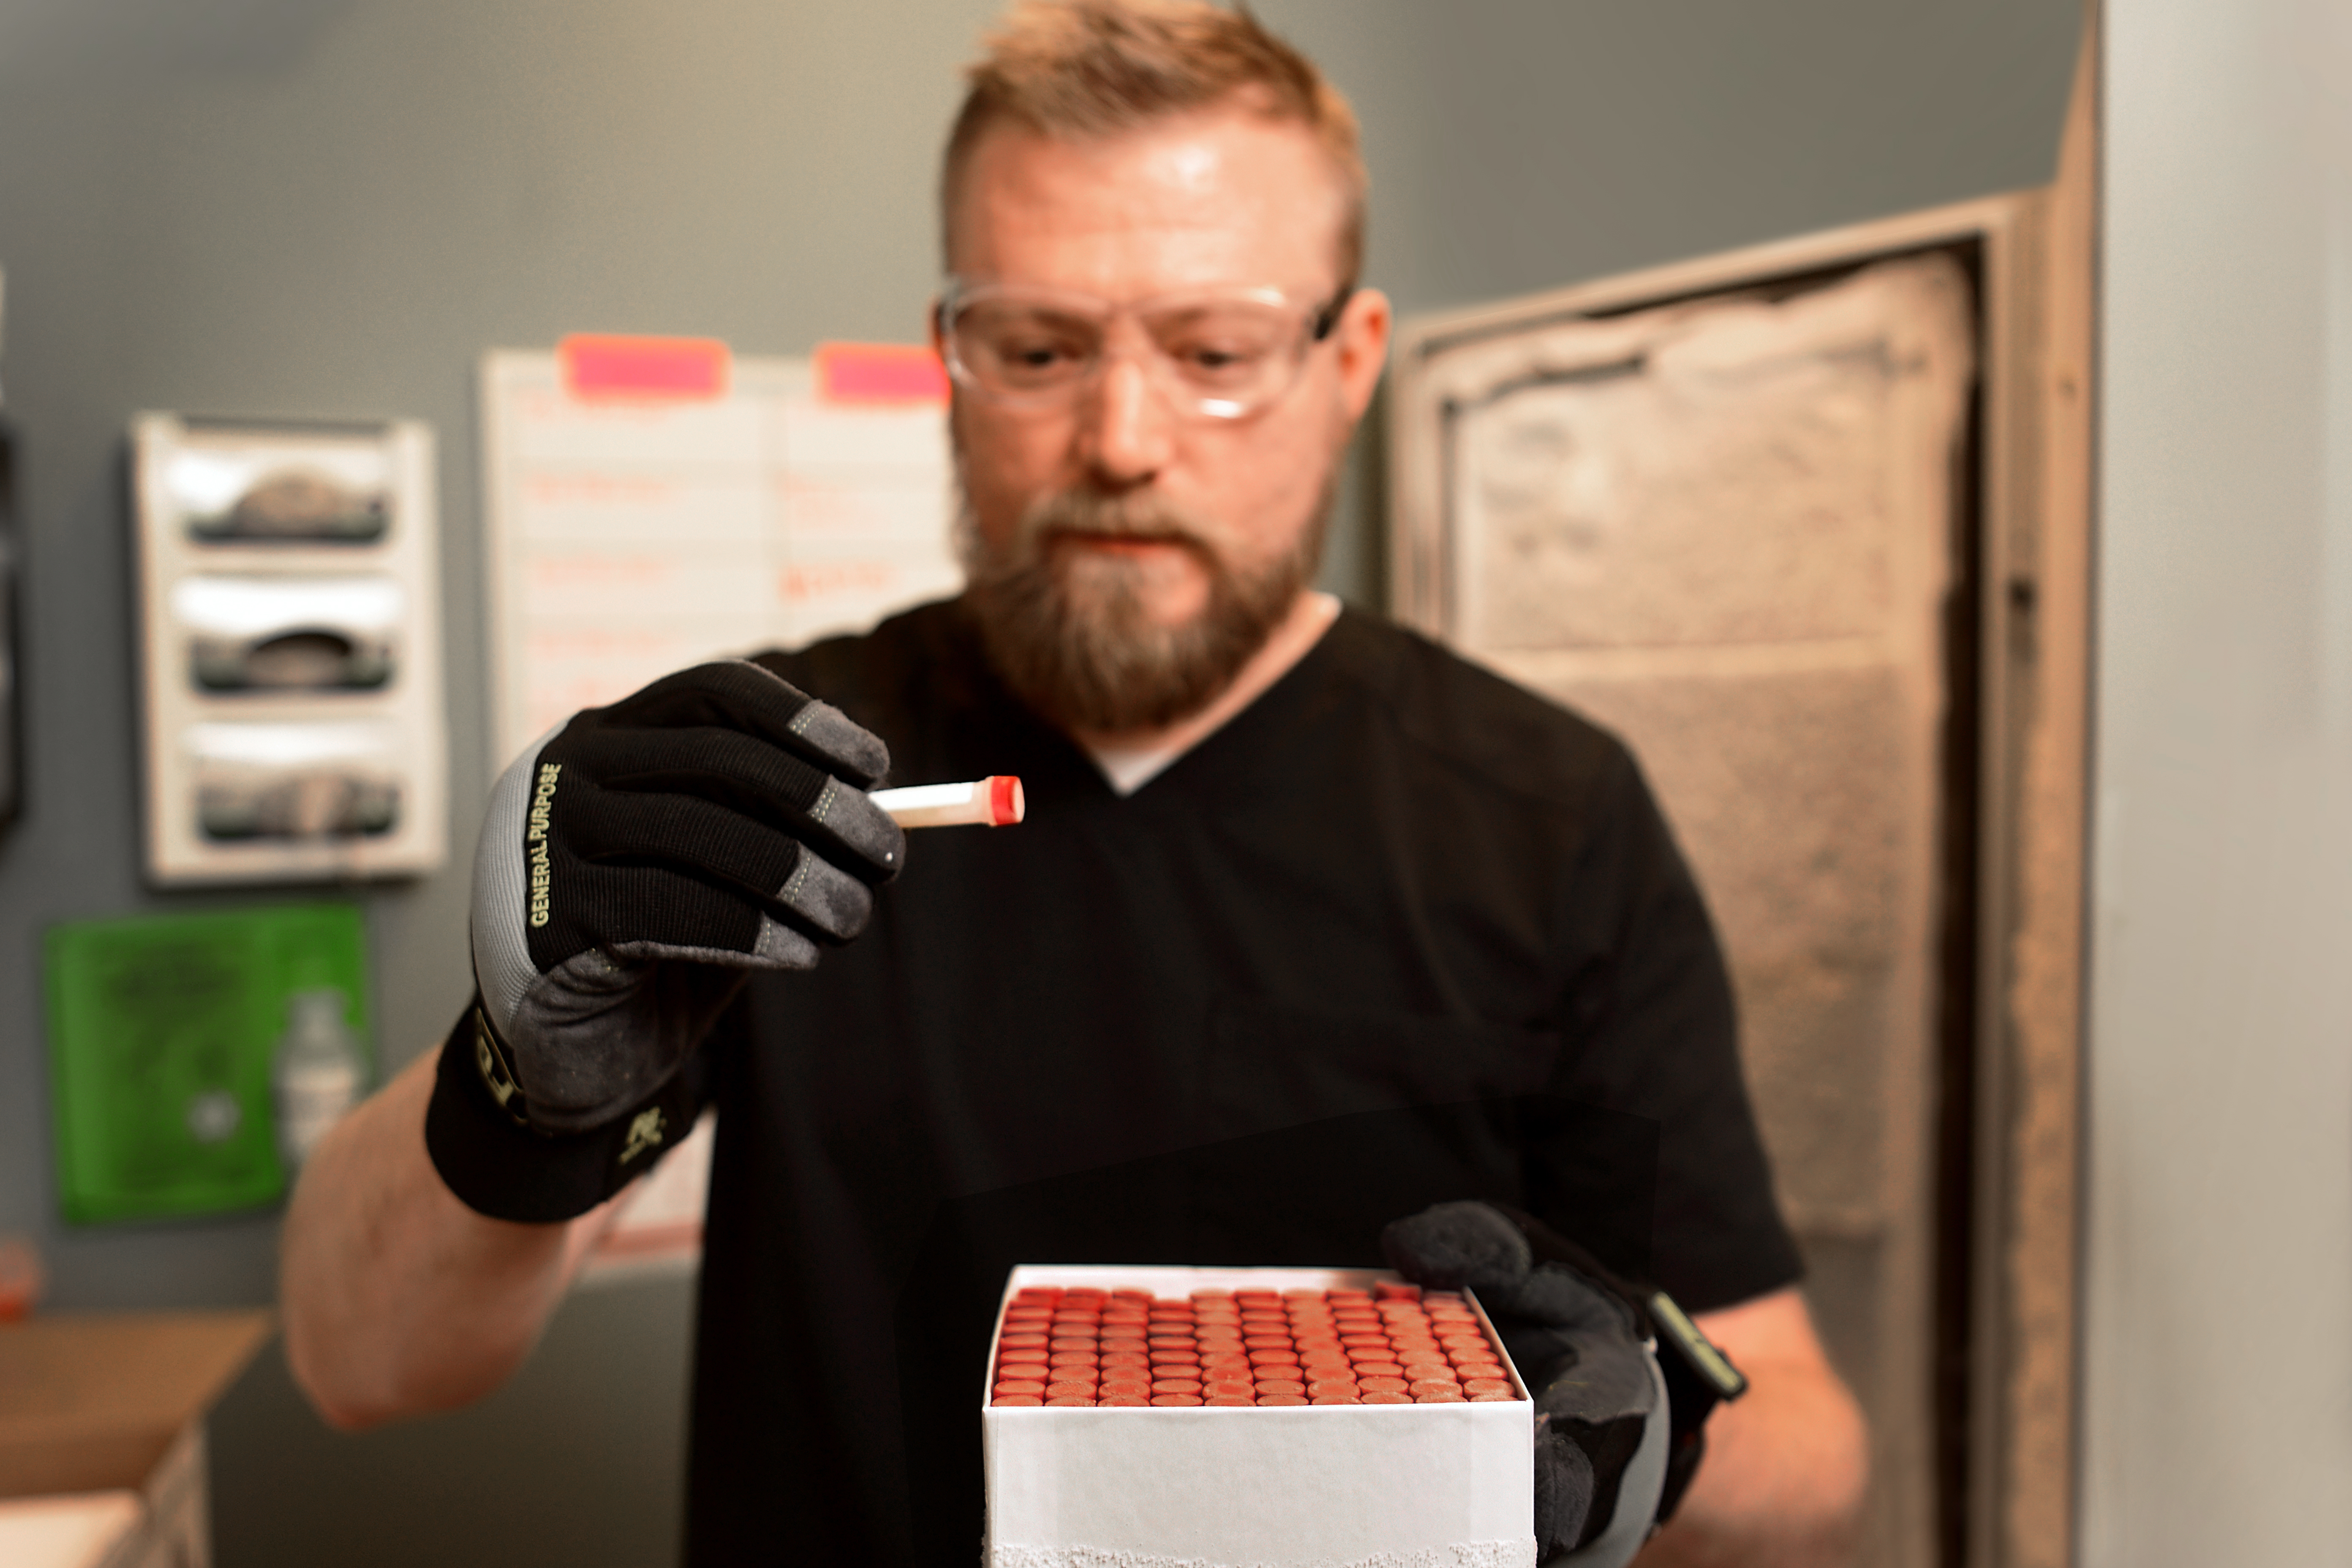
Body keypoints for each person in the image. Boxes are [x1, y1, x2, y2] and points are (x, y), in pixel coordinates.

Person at [280, 3, 1867, 1563]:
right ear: (951, 359)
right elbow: (362, 1362)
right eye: (1038, 347)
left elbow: (1808, 1447)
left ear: (1350, 357)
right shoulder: (776, 779)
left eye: (1214, 352)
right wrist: (526, 1079)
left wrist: (1661, 1427)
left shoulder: (1548, 814)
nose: (1120, 437)